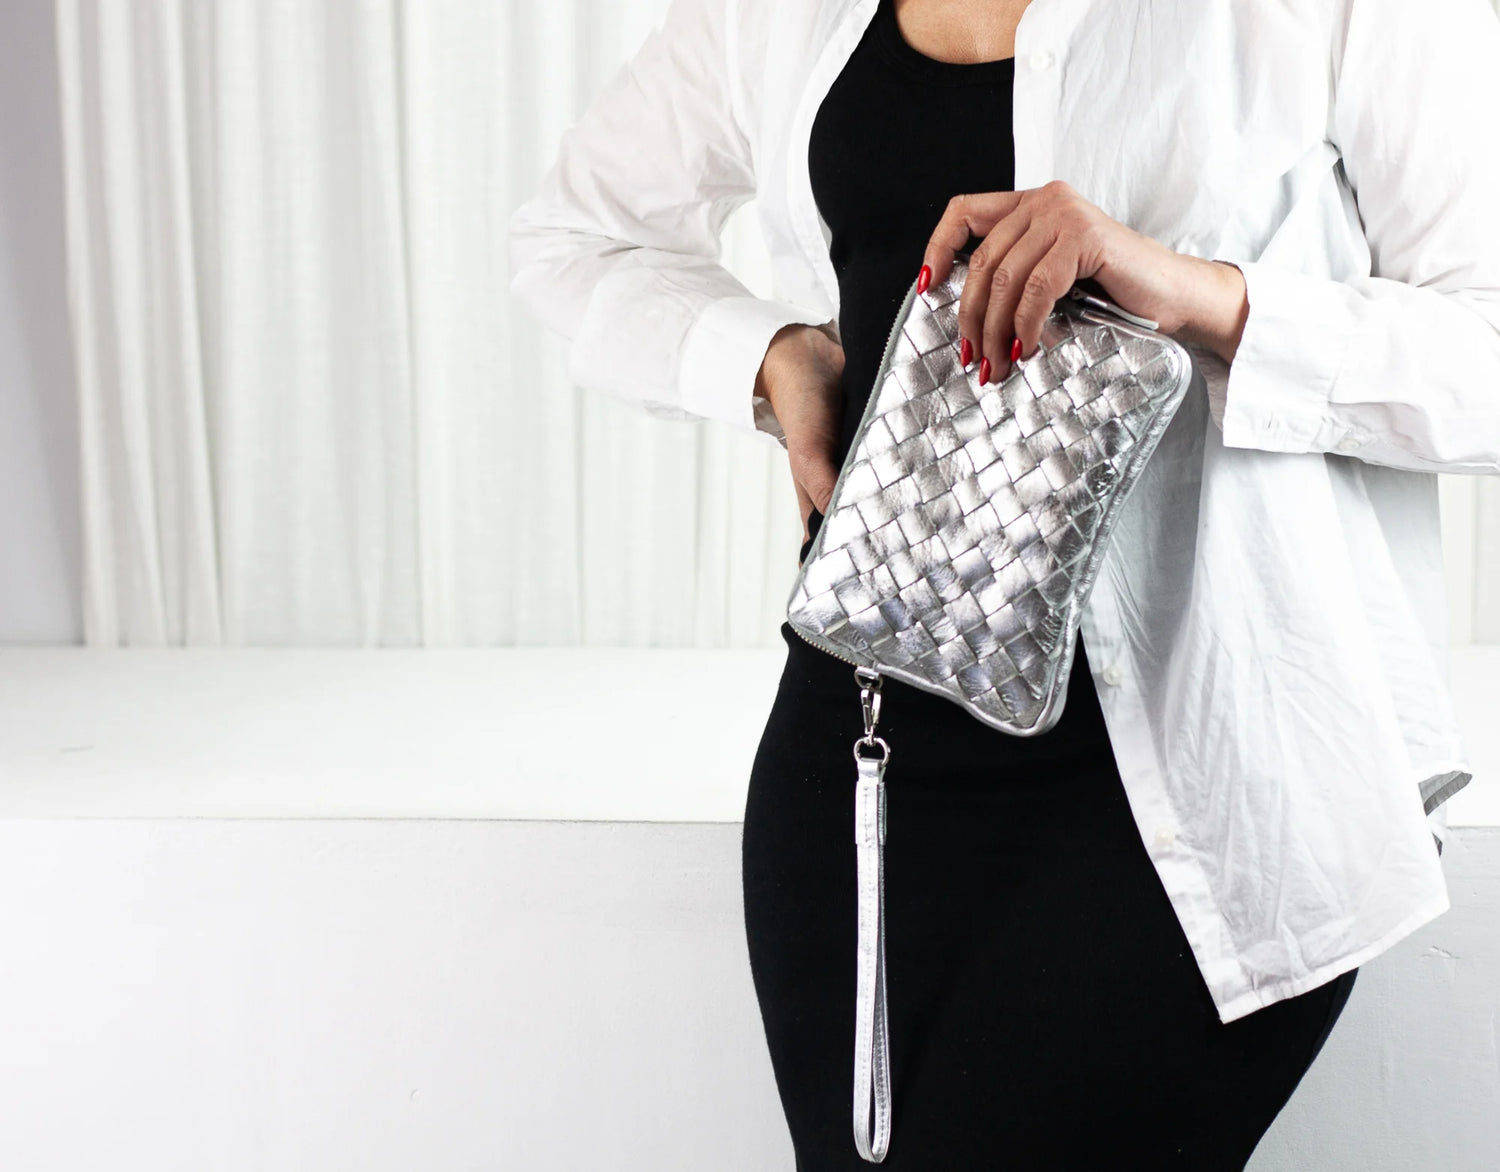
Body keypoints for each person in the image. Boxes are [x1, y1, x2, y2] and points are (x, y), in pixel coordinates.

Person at [508, 0, 1500, 1165]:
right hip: (862, 755)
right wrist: (774, 361)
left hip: (1198, 775)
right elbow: (571, 239)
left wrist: (1192, 289)